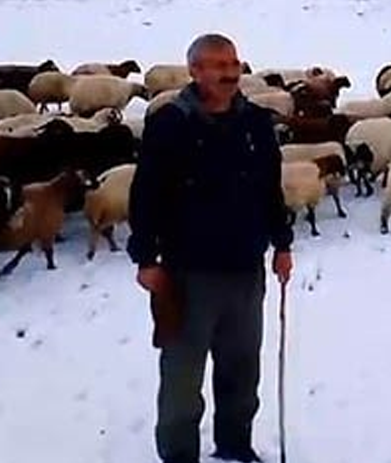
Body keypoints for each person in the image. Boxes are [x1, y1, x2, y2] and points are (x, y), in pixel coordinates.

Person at [128, 33, 294, 463]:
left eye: (234, 63)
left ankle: (235, 445)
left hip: (245, 267)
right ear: (195, 71)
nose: (229, 72)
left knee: (242, 369)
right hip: (187, 271)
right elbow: (146, 193)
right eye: (218, 65)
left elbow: (269, 188)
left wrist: (282, 242)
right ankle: (180, 454)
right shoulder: (171, 123)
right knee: (183, 375)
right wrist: (145, 257)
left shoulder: (256, 122)